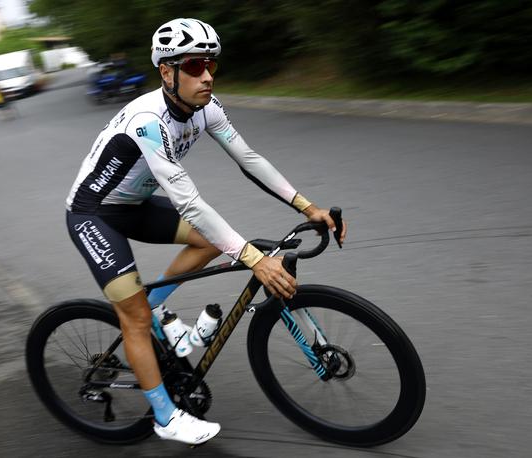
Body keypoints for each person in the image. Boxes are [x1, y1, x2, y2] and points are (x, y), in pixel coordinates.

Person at [65, 18, 347, 445]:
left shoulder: (206, 109)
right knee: (135, 318)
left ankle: (156, 307)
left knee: (207, 244)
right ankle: (164, 416)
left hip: (135, 206)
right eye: (195, 66)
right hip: (94, 214)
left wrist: (309, 207)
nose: (208, 75)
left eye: (211, 64)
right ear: (167, 72)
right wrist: (252, 258)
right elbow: (190, 202)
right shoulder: (147, 120)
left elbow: (250, 159)